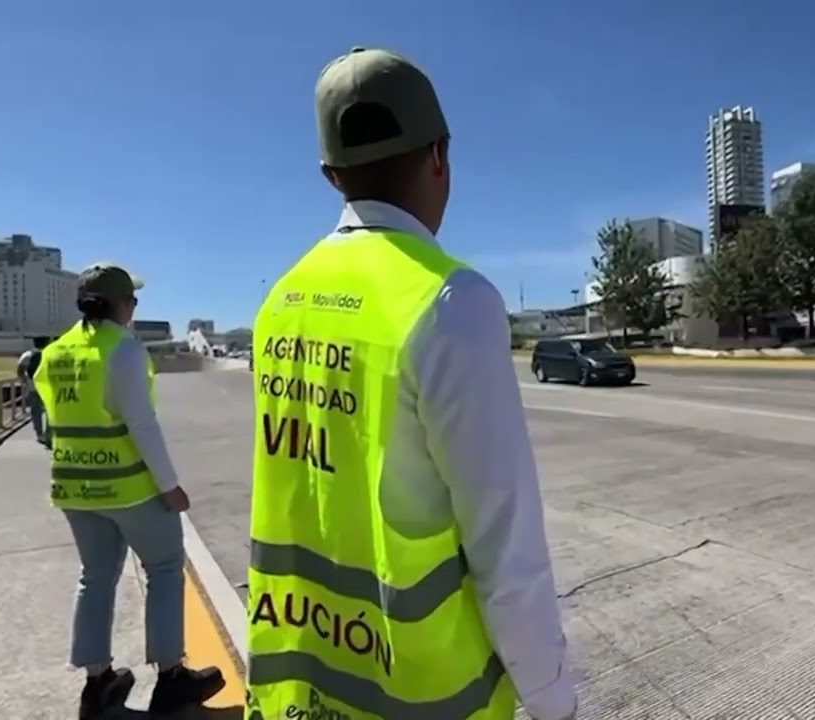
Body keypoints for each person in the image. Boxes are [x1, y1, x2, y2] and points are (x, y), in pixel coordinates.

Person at [245, 48, 577, 720]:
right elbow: (506, 547)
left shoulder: (280, 300)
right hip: (426, 693)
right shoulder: (451, 300)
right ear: (440, 156)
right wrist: (553, 698)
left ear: (331, 174)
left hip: (303, 686)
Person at [31, 263, 225, 719]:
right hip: (128, 487)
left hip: (74, 487)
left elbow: (48, 418)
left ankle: (96, 682)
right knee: (163, 567)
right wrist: (170, 486)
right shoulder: (124, 351)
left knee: (95, 576)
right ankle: (172, 676)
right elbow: (142, 424)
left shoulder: (56, 352)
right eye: (133, 302)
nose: (134, 310)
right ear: (121, 305)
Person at [18, 338, 50, 446]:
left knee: (36, 412)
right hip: (48, 387)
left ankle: (39, 434)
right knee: (50, 412)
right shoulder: (50, 353)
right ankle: (48, 433)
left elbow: (20, 370)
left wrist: (25, 382)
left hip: (33, 387)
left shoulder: (27, 355)